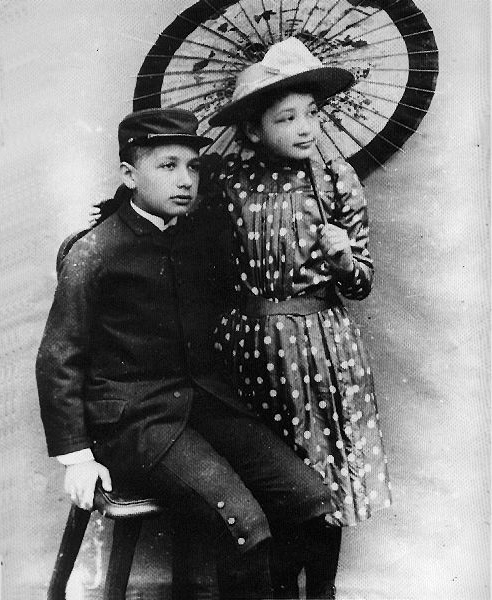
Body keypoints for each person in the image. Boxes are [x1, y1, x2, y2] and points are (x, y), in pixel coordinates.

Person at [36, 107, 344, 600]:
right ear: (129, 175)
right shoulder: (96, 251)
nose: (185, 180)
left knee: (315, 505)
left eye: (193, 167)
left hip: (203, 405)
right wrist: (77, 458)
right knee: (244, 527)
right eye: (168, 166)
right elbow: (59, 358)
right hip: (135, 424)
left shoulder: (198, 236)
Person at [200, 37, 392, 598]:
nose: (305, 128)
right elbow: (209, 270)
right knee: (272, 477)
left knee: (325, 474)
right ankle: (280, 591)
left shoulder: (335, 180)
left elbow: (361, 284)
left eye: (311, 113)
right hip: (250, 349)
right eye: (286, 118)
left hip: (321, 350)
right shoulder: (227, 185)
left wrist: (344, 258)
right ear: (252, 130)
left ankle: (322, 590)